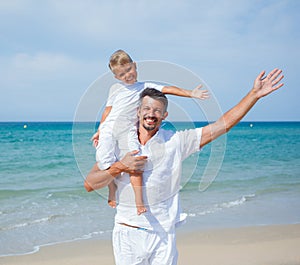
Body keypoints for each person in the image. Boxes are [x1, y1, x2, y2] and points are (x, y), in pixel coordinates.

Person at [85, 68, 284, 265]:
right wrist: (120, 166)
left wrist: (254, 95)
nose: (151, 114)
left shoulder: (176, 141)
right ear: (138, 112)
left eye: (157, 110)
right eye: (146, 109)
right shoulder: (118, 142)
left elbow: (222, 126)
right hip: (127, 232)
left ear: (164, 115)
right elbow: (90, 184)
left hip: (163, 234)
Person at [91, 49, 209, 215]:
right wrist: (99, 131)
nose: (127, 75)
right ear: (116, 77)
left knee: (135, 163)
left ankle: (139, 201)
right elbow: (107, 111)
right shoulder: (115, 88)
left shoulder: (145, 87)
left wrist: (190, 93)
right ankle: (112, 190)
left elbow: (168, 89)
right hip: (109, 130)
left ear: (135, 66)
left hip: (128, 131)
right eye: (121, 74)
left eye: (129, 70)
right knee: (105, 162)